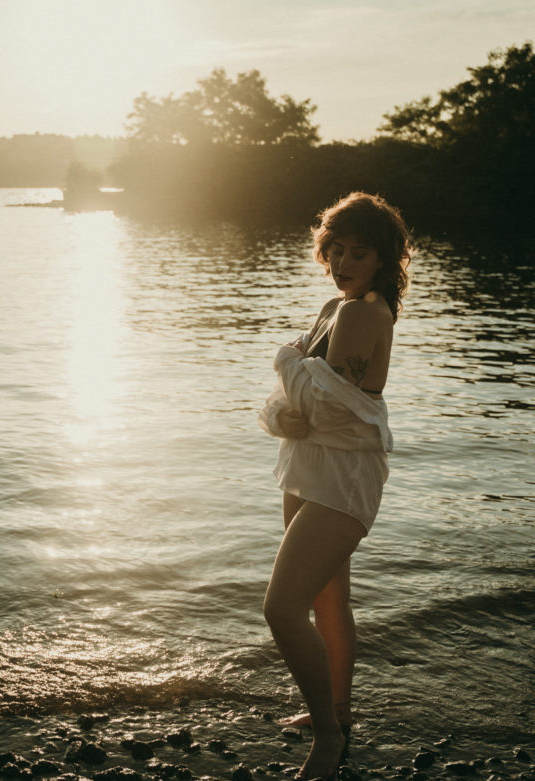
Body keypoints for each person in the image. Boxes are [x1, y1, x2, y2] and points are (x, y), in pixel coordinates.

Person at [258, 192, 411, 780]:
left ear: (382, 258)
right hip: (308, 464)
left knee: (281, 608)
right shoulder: (332, 305)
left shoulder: (361, 312)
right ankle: (338, 712)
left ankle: (328, 738)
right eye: (336, 249)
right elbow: (301, 408)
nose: (344, 261)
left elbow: (319, 404)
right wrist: (293, 404)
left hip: (343, 474)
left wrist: (292, 387)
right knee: (327, 599)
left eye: (359, 252)